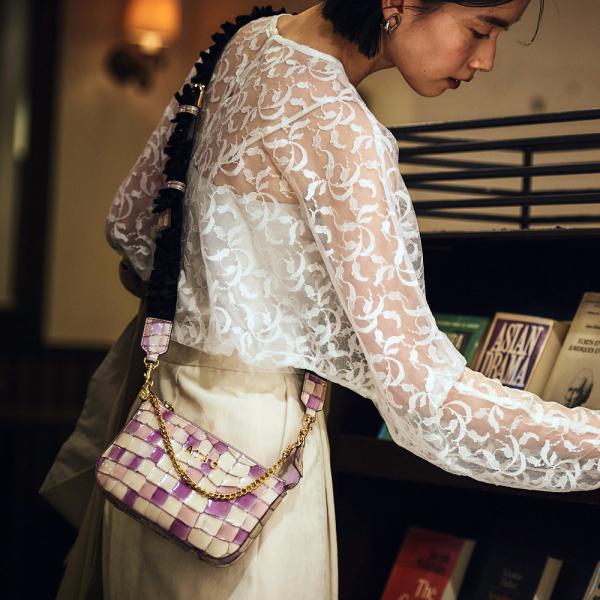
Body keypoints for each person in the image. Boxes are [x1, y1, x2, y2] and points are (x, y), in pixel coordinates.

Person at [45, 0, 600, 598]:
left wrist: (221, 304)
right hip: (251, 472)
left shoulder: (241, 45)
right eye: (482, 29)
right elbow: (426, 398)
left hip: (159, 447)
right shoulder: (341, 129)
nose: (486, 59)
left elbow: (130, 226)